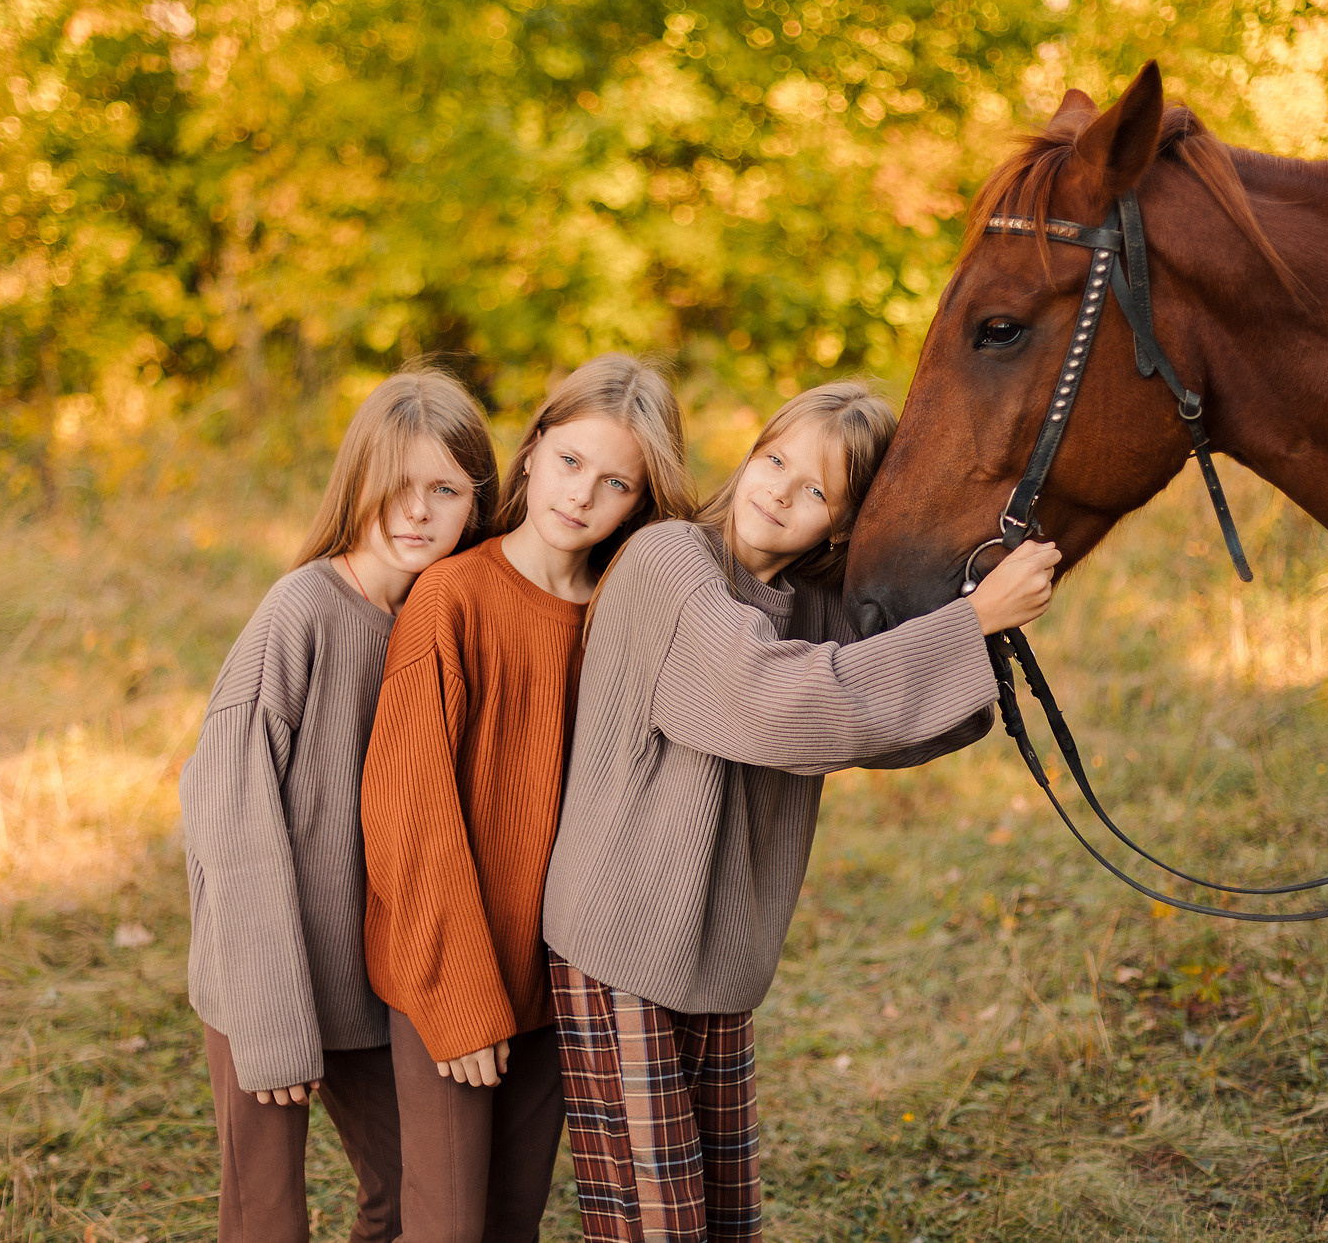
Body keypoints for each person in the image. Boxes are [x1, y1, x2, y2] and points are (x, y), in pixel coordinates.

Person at [540, 380, 1062, 1242]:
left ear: (845, 525)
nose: (778, 490)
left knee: (726, 1219)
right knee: (654, 1225)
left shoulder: (816, 608)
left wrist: (980, 606)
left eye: (815, 489)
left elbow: (884, 723)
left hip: (720, 953)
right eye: (773, 459)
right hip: (620, 944)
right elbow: (775, 703)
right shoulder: (670, 560)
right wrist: (967, 627)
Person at [360, 353, 695, 1243]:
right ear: (533, 450)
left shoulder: (623, 616)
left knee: (513, 1219)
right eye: (571, 461)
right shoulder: (452, 599)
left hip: (562, 978)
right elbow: (409, 814)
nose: (582, 496)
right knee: (447, 1221)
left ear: (641, 501)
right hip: (450, 972)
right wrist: (461, 998)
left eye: (615, 481)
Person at [179, 369, 499, 1243]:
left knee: (406, 1192)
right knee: (266, 1213)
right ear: (353, 482)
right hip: (266, 973)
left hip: (371, 980)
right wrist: (271, 1018)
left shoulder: (442, 619)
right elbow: (230, 822)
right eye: (394, 485)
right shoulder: (302, 612)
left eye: (444, 489)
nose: (416, 512)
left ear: (478, 500)